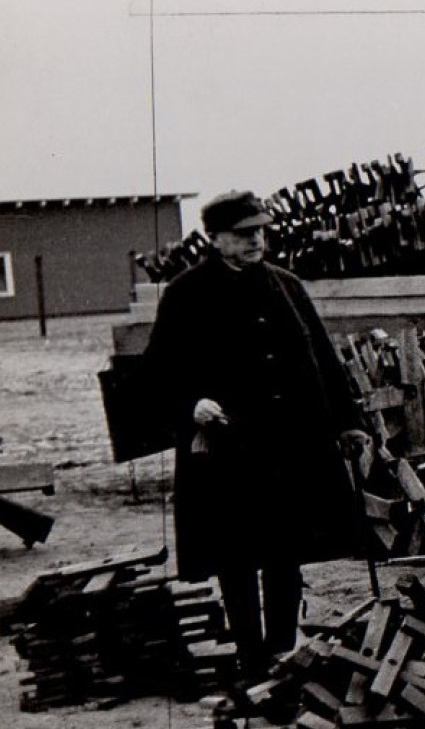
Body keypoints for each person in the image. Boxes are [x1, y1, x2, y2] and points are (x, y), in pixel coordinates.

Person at [143, 190, 369, 679]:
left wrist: (348, 421)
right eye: (244, 234)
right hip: (226, 453)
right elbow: (156, 373)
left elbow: (325, 361)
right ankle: (250, 656)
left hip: (289, 448)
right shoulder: (186, 294)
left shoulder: (286, 286)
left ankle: (284, 648)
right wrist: (190, 406)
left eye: (260, 232)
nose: (255, 241)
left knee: (285, 552)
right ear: (215, 238)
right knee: (236, 556)